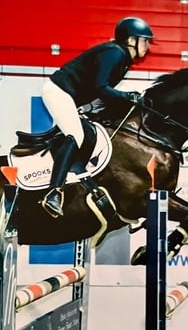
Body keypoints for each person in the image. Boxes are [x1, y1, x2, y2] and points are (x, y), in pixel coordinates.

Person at [39, 16, 154, 218]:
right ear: (130, 40)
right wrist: (128, 96)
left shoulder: (123, 60)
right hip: (59, 91)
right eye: (144, 40)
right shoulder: (115, 53)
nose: (148, 46)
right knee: (76, 134)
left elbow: (98, 92)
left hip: (73, 97)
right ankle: (53, 193)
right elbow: (100, 88)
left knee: (90, 136)